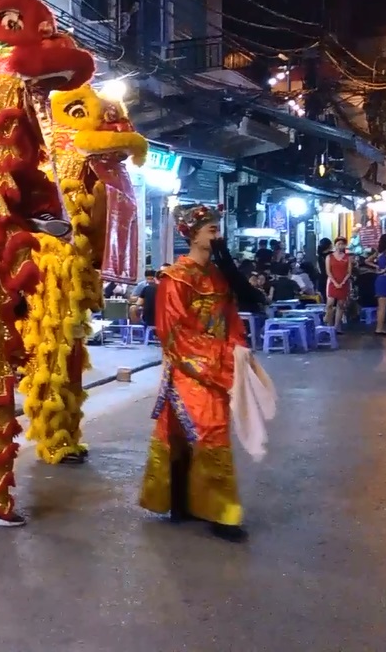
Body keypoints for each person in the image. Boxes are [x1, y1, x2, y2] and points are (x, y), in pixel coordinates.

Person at [138, 204, 255, 543]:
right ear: (193, 235)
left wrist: (236, 350)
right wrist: (216, 359)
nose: (216, 234)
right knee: (208, 433)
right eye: (210, 229)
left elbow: (231, 320)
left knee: (198, 435)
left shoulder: (219, 277)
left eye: (217, 228)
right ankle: (222, 512)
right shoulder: (174, 278)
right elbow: (173, 332)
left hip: (216, 367)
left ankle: (185, 502)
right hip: (190, 371)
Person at [367, 233, 386, 336]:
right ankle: (379, 328)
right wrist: (383, 269)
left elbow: (367, 261)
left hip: (379, 278)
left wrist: (377, 267)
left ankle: (380, 327)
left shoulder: (380, 252)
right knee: (383, 306)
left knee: (381, 305)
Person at [324, 237, 352, 327]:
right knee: (330, 304)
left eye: (342, 244)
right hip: (332, 282)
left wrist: (343, 282)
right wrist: (335, 282)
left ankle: (337, 326)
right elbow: (328, 271)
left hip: (343, 283)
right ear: (335, 245)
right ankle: (329, 324)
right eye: (338, 244)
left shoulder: (347, 258)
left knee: (341, 304)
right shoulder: (329, 257)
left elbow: (349, 272)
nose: (340, 246)